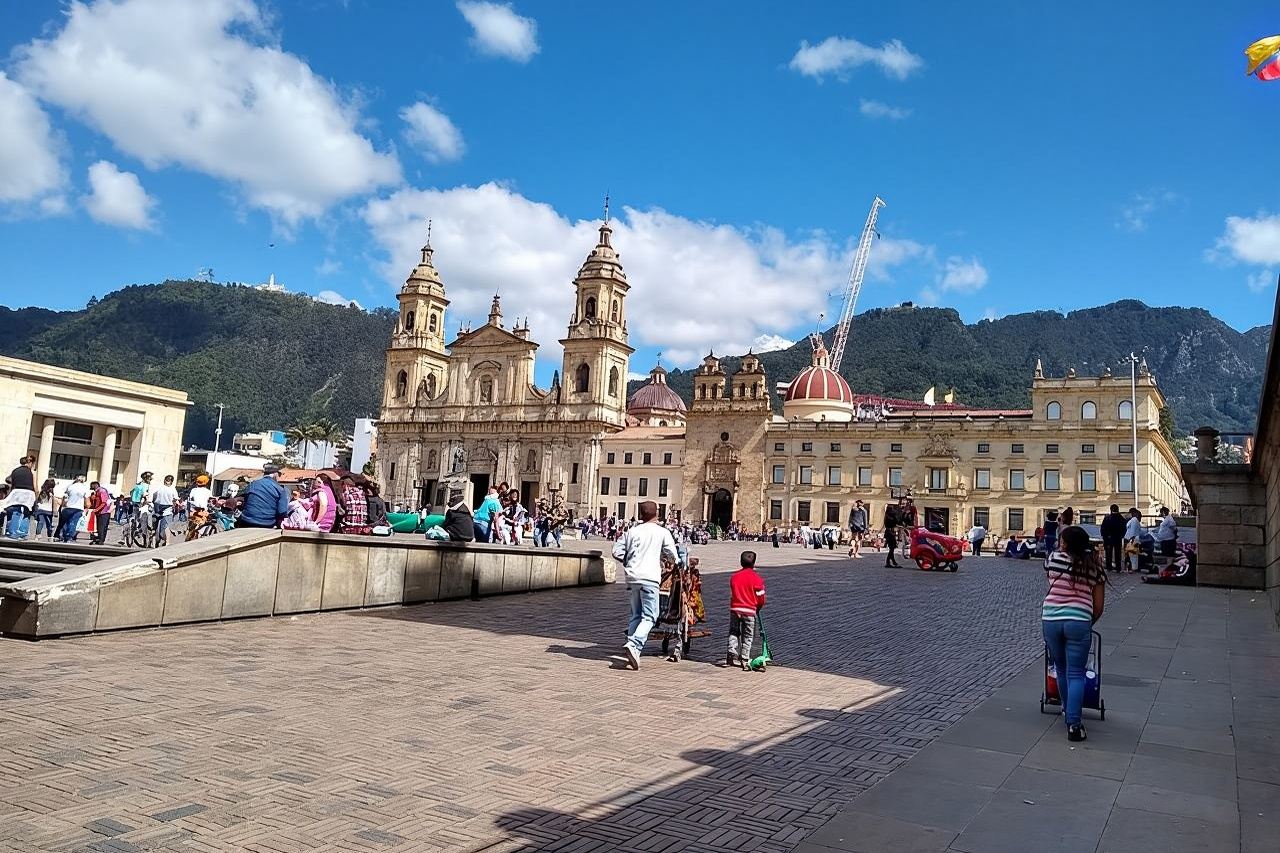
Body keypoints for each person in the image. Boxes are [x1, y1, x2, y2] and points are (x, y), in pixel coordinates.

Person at [1041, 525, 1106, 742]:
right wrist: (1086, 622)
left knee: (1060, 668)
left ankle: (1066, 710)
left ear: (1066, 543)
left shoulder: (1053, 559)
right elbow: (1098, 607)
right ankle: (1074, 724)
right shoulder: (1094, 567)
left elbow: (1050, 581)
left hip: (1050, 619)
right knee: (1076, 673)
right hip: (1079, 621)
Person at [612, 500, 678, 671]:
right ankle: (634, 644)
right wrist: (671, 562)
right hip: (650, 578)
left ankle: (632, 650)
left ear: (641, 514)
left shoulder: (632, 531)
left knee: (636, 615)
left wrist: (630, 562)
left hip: (632, 578)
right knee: (650, 616)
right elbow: (672, 554)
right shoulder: (662, 532)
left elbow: (616, 551)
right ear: (657, 513)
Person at [727, 550, 767, 670]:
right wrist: (758, 607)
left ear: (741, 562)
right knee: (748, 636)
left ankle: (731, 650)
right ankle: (744, 659)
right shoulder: (757, 578)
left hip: (735, 609)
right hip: (749, 610)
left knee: (733, 631)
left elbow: (733, 592)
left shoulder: (734, 577)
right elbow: (761, 598)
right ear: (754, 563)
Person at [236, 464, 289, 529]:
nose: (279, 477)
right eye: (279, 474)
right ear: (274, 474)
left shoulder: (253, 484)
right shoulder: (280, 490)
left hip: (246, 521)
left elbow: (245, 502)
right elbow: (282, 512)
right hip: (267, 523)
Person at [4, 456, 36, 540]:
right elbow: (35, 485)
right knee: (27, 512)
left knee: (16, 511)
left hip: (17, 491)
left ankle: (12, 532)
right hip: (29, 492)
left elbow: (11, 482)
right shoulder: (31, 472)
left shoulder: (15, 471)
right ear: (29, 463)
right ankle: (23, 532)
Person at [58, 475, 90, 542]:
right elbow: (87, 502)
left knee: (66, 522)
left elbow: (64, 497)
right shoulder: (84, 488)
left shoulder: (70, 486)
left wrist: (63, 505)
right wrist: (87, 507)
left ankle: (63, 535)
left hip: (68, 507)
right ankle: (69, 537)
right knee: (73, 522)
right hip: (78, 508)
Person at [151, 475, 180, 546]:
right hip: (167, 508)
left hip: (157, 507)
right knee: (167, 526)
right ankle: (167, 542)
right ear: (172, 481)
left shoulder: (159, 487)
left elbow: (153, 495)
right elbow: (175, 499)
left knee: (154, 525)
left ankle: (152, 541)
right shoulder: (172, 489)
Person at [185, 475, 214, 540]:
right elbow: (210, 502)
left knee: (191, 529)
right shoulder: (208, 492)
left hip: (194, 512)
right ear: (206, 483)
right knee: (201, 529)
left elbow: (189, 501)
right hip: (203, 513)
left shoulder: (193, 490)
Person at [1100, 504, 1126, 572]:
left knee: (1108, 554)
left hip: (1109, 538)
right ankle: (1118, 568)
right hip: (1117, 538)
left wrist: (1104, 536)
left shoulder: (1107, 518)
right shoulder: (1121, 518)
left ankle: (1109, 567)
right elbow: (1124, 528)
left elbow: (1103, 528)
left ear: (1111, 510)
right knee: (1118, 553)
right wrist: (1122, 535)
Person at [89, 480, 112, 545]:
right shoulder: (97, 492)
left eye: (92, 485)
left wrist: (96, 509)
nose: (91, 487)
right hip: (101, 512)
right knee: (100, 526)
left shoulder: (101, 491)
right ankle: (99, 539)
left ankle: (101, 540)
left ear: (95, 485)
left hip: (103, 512)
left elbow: (104, 502)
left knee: (101, 526)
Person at [1123, 507, 1143, 573]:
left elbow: (1133, 531)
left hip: (1131, 539)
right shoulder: (1134, 520)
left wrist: (1131, 540)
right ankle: (1131, 567)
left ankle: (1131, 568)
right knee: (1131, 555)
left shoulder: (1134, 520)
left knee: (1131, 555)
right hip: (1131, 539)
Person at [882, 502, 902, 567]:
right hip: (890, 533)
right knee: (892, 547)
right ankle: (888, 562)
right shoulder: (891, 516)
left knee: (892, 548)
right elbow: (897, 521)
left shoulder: (886, 515)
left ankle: (893, 561)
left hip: (889, 532)